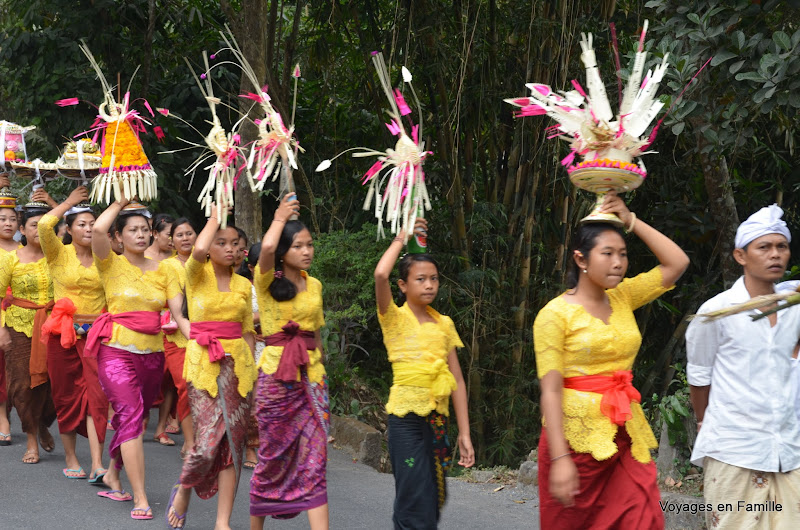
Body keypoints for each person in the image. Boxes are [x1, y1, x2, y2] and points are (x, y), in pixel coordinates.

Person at [533, 193, 689, 529]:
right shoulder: (554, 315)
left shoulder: (623, 296)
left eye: (623, 254)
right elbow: (550, 391)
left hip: (625, 430)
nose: (618, 262)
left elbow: (677, 263)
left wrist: (631, 220)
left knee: (643, 519)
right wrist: (560, 459)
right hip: (576, 441)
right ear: (581, 258)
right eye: (607, 253)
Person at [687, 204, 800, 529]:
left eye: (782, 246)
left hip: (788, 449)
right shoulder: (717, 312)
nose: (775, 254)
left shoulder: (793, 308)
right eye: (764, 247)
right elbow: (699, 376)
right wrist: (703, 421)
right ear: (740, 256)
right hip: (733, 449)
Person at [89, 197, 188, 521]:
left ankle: (113, 474)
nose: (141, 234)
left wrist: (201, 340)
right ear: (119, 237)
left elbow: (178, 315)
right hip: (116, 352)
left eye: (145, 229)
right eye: (133, 230)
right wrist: (120, 203)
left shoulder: (167, 269)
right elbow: (99, 228)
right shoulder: (109, 262)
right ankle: (141, 497)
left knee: (136, 419)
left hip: (153, 356)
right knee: (131, 414)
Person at [374, 217, 475, 529]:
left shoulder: (444, 323)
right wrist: (402, 237)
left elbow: (457, 379)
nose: (429, 284)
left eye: (433, 278)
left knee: (434, 494)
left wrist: (465, 432)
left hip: (437, 420)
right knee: (412, 490)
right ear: (403, 285)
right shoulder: (394, 318)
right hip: (405, 422)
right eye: (420, 279)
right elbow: (380, 273)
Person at [166, 211, 257, 530]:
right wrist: (217, 212)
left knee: (233, 443)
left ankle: (223, 522)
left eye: (235, 243)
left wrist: (253, 375)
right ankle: (184, 491)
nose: (230, 248)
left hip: (239, 369)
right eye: (222, 242)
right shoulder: (196, 273)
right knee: (205, 445)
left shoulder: (245, 285)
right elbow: (199, 248)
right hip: (203, 364)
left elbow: (247, 331)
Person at [250, 195, 329, 529]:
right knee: (271, 459)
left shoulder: (316, 285)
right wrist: (279, 217)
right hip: (275, 379)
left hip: (312, 379)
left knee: (316, 459)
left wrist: (322, 373)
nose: (307, 251)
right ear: (284, 252)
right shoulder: (267, 282)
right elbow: (266, 249)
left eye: (310, 245)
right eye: (298, 246)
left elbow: (317, 336)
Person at [37, 186, 108, 482]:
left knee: (97, 398)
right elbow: (43, 224)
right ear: (69, 228)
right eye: (82, 224)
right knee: (65, 397)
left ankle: (97, 463)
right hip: (61, 336)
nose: (89, 229)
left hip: (98, 336)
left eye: (93, 224)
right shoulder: (58, 253)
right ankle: (71, 457)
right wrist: (68, 202)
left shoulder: (107, 257)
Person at [0, 192, 57, 464]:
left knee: (54, 385)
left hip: (56, 325)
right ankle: (31, 438)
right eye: (35, 225)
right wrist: (1, 329)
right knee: (23, 386)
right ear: (22, 229)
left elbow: (74, 222)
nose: (40, 230)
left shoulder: (59, 256)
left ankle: (44, 422)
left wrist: (58, 204)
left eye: (46, 224)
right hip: (19, 326)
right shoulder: (10, 259)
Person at [155, 217, 197, 455]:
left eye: (189, 233)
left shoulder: (207, 263)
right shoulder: (166, 266)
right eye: (179, 235)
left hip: (203, 333)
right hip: (175, 335)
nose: (185, 238)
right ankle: (190, 441)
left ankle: (201, 437)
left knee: (200, 387)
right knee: (184, 386)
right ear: (172, 240)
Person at [0, 173, 20, 446]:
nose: (7, 223)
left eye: (12, 219)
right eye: (2, 219)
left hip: (22, 316)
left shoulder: (25, 249)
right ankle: (3, 418)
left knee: (17, 373)